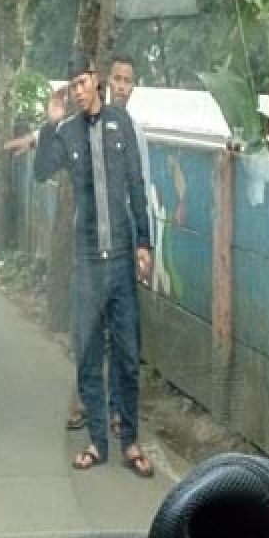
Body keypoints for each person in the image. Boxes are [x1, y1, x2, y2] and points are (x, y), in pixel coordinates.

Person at [35, 53, 154, 477]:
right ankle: (98, 443)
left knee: (126, 352)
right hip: (86, 261)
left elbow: (137, 187)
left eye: (83, 83)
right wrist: (50, 122)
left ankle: (131, 442)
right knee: (87, 354)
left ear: (96, 82)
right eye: (72, 86)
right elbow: (40, 170)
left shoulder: (122, 125)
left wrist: (144, 243)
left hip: (121, 259)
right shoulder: (66, 133)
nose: (78, 91)